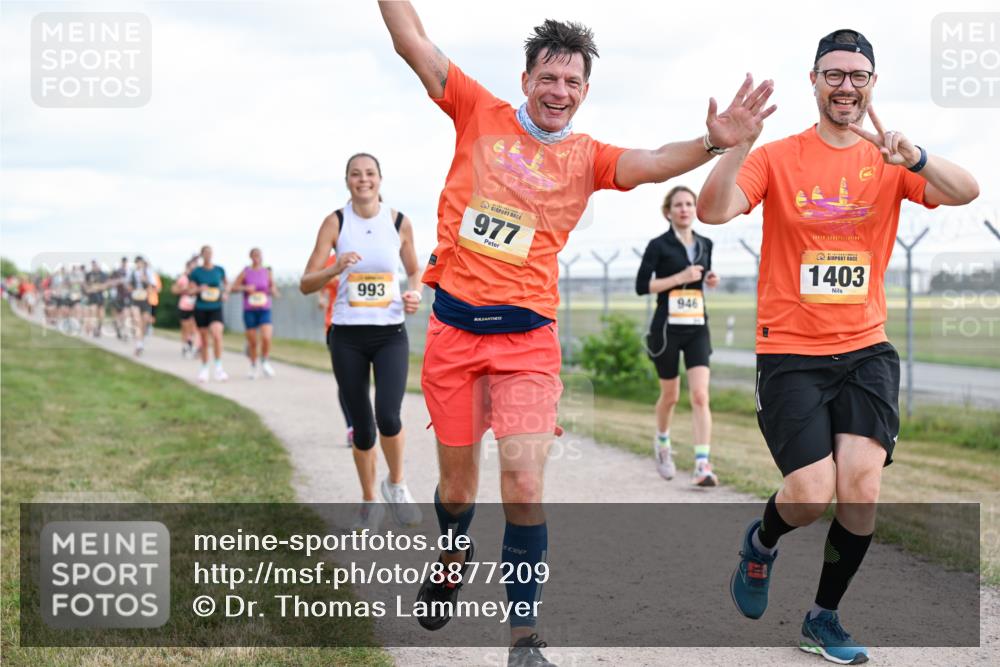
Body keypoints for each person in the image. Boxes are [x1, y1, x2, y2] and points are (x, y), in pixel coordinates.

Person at [378, 2, 774, 662]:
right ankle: (453, 547)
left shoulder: (588, 157)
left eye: (573, 83)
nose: (559, 92)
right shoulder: (479, 111)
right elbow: (410, 40)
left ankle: (525, 635)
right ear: (527, 77)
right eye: (549, 78)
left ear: (584, 92)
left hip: (528, 341)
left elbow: (651, 160)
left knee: (525, 484)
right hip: (453, 338)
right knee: (456, 489)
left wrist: (712, 142)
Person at [697, 29, 979, 665]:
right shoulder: (779, 157)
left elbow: (967, 192)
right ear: (815, 81)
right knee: (808, 494)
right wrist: (734, 149)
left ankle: (823, 617)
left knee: (860, 488)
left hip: (865, 350)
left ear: (872, 83)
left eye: (858, 75)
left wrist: (918, 158)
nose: (845, 85)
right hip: (791, 351)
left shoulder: (890, 158)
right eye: (834, 74)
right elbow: (715, 212)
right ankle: (762, 542)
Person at [300, 153, 424, 533]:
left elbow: (414, 268)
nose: (363, 180)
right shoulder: (335, 222)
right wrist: (335, 268)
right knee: (363, 425)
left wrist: (414, 292)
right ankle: (370, 500)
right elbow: (307, 282)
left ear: (380, 179)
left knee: (389, 415)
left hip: (389, 333)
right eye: (356, 174)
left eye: (370, 174)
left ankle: (396, 485)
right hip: (348, 336)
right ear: (347, 181)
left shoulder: (399, 221)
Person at [636, 186, 720, 486]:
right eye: (678, 205)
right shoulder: (658, 245)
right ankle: (662, 444)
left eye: (689, 204)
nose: (684, 209)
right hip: (666, 329)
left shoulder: (706, 243)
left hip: (697, 326)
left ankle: (702, 464)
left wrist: (710, 278)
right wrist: (678, 279)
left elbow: (703, 276)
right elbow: (642, 286)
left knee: (700, 395)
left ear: (695, 208)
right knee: (670, 396)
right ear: (668, 211)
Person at [317, 251, 355, 447]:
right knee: (346, 379)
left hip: (368, 323)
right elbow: (320, 286)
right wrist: (322, 298)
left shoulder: (370, 251)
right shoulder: (330, 260)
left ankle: (364, 422)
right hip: (336, 323)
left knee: (362, 379)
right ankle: (351, 427)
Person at [232, 248, 280, 379]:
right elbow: (233, 288)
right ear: (250, 257)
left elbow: (273, 287)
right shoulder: (246, 272)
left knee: (266, 337)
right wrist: (245, 288)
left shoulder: (267, 272)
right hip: (249, 310)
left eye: (259, 255)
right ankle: (253, 365)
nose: (257, 257)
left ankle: (264, 360)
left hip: (264, 308)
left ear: (262, 256)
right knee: (253, 342)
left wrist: (274, 291)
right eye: (254, 255)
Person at [188, 245, 229, 382]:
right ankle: (204, 367)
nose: (208, 255)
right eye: (205, 253)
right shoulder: (196, 272)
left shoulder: (219, 270)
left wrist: (225, 293)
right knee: (204, 340)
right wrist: (199, 288)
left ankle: (218, 367)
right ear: (202, 255)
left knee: (217, 334)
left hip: (216, 306)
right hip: (201, 307)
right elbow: (190, 291)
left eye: (210, 253)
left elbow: (226, 285)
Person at [127, 256, 156, 356]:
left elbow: (153, 286)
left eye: (140, 262)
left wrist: (146, 281)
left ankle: (141, 341)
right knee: (137, 320)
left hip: (145, 299)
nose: (139, 264)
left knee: (144, 321)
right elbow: (129, 286)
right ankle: (138, 344)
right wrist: (131, 289)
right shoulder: (132, 273)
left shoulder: (149, 273)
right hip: (135, 299)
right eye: (137, 262)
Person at [172, 257, 199, 357]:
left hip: (196, 306)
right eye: (191, 266)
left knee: (195, 327)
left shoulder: (198, 278)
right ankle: (185, 345)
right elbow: (174, 290)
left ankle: (195, 347)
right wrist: (185, 289)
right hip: (184, 306)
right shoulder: (183, 278)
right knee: (185, 328)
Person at [84, 260, 109, 337]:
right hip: (92, 297)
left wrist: (97, 288)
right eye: (93, 265)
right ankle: (94, 329)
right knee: (93, 311)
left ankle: (99, 328)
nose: (94, 266)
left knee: (101, 314)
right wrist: (89, 289)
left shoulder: (103, 274)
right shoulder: (89, 274)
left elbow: (105, 286)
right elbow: (85, 285)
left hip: (100, 296)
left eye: (95, 265)